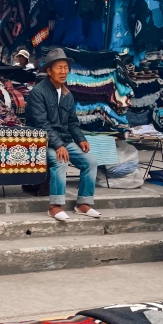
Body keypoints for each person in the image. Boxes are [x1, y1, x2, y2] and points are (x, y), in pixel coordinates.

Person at [26, 47, 100, 221]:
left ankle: (83, 203)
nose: (63, 71)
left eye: (66, 68)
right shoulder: (38, 92)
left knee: (91, 162)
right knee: (61, 162)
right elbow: (41, 123)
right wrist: (58, 145)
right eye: (59, 67)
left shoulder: (67, 94)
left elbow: (73, 122)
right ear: (49, 71)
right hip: (43, 141)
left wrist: (81, 139)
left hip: (64, 140)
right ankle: (55, 206)